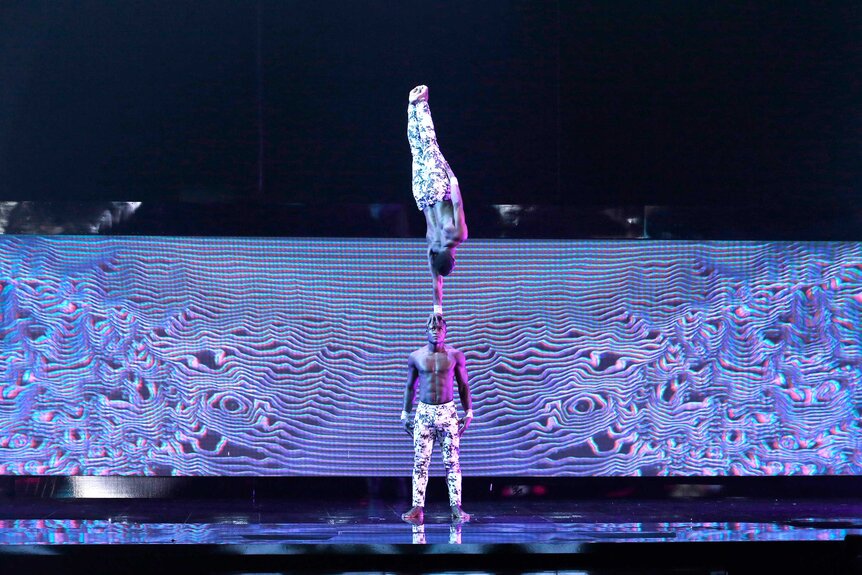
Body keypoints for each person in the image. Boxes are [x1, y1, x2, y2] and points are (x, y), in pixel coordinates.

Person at [401, 314, 473, 524]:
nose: (435, 329)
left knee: (452, 462)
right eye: (431, 326)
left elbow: (463, 386)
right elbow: (410, 387)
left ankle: (456, 507)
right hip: (424, 413)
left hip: (448, 413)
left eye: (439, 326)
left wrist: (468, 413)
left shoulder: (455, 356)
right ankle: (417, 506)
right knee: (420, 462)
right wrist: (405, 414)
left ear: (446, 330)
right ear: (425, 331)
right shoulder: (416, 356)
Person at [407, 85, 468, 315]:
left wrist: (452, 177)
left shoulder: (457, 236)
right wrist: (437, 311)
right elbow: (436, 284)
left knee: (431, 146)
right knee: (416, 150)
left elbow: (457, 204)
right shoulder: (432, 248)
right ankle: (412, 108)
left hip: (437, 189)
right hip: (421, 196)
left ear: (454, 260)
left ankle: (421, 102)